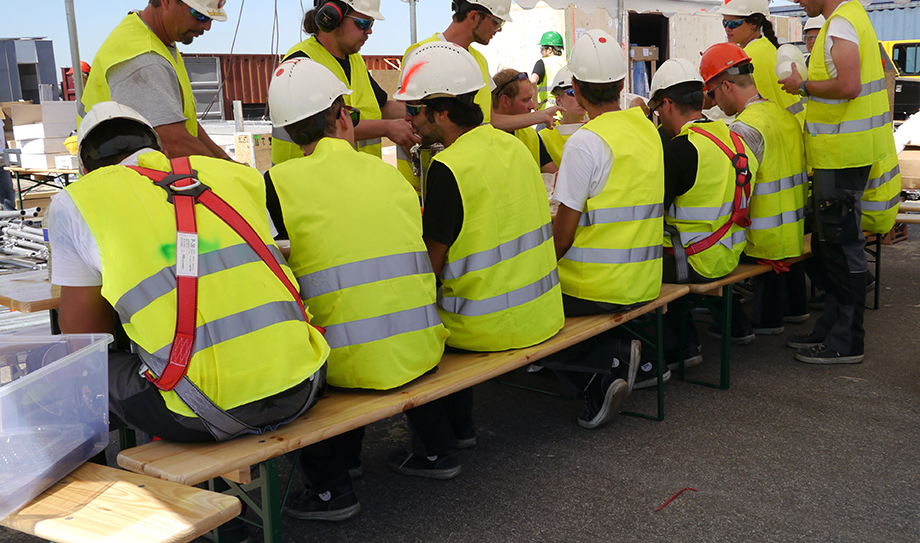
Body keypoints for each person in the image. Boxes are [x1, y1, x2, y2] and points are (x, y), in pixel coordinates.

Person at [49, 101, 330, 541]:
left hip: (204, 413)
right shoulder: (233, 175)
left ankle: (114, 514)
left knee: (84, 369)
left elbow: (81, 334)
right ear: (156, 149)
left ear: (87, 167)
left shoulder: (79, 201)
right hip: (305, 380)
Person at [263, 58, 448, 521]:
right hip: (421, 347)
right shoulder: (390, 177)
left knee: (287, 346)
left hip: (342, 364)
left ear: (287, 134)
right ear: (344, 116)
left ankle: (331, 486)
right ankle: (438, 447)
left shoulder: (277, 184)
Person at [388, 41, 564, 476]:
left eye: (414, 111)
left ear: (442, 113)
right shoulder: (516, 149)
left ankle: (436, 448)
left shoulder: (449, 168)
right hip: (540, 314)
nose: (408, 119)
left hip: (485, 328)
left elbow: (429, 266)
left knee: (401, 321)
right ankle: (461, 426)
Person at [779, 0, 899, 364]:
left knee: (842, 246)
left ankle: (846, 342)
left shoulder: (842, 23)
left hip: (844, 157)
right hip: (842, 156)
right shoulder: (849, 19)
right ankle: (831, 328)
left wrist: (802, 86)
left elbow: (847, 86)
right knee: (831, 245)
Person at [545, 29, 667, 420]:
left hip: (594, 286)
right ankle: (639, 357)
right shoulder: (647, 129)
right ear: (619, 84)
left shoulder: (585, 142)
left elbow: (561, 239)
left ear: (576, 90)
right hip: (645, 279)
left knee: (522, 307)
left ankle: (600, 372)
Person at [396, 0, 557, 191]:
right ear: (473, 16)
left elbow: (490, 122)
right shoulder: (422, 54)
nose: (499, 30)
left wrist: (539, 116)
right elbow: (409, 119)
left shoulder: (478, 61)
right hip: (429, 180)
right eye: (496, 22)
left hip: (469, 179)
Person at [649, 58, 759, 362]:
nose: (659, 118)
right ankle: (735, 323)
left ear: (667, 104)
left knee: (632, 264)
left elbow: (654, 211)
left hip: (694, 262)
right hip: (729, 254)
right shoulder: (734, 138)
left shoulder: (680, 150)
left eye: (658, 110)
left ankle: (679, 347)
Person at [79, 0, 231, 159]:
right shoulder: (143, 58)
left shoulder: (155, 39)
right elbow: (173, 140)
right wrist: (234, 178)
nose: (207, 26)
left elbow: (186, 127)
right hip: (122, 188)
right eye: (200, 15)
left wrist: (230, 164)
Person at [700, 42, 808, 335]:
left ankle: (731, 324)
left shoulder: (744, 130)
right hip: (792, 235)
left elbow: (729, 195)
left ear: (725, 86)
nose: (712, 102)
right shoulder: (784, 116)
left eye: (710, 94)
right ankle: (792, 308)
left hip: (760, 241)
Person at [271, 0, 418, 166]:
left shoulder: (354, 60)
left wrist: (424, 110)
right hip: (307, 186)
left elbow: (382, 107)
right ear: (332, 16)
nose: (369, 32)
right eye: (364, 23)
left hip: (352, 182)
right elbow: (326, 129)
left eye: (371, 24)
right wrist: (387, 128)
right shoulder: (300, 64)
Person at [719, 0, 805, 122]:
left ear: (754, 23)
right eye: (725, 23)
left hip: (773, 133)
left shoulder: (745, 57)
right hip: (792, 130)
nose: (728, 29)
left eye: (734, 24)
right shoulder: (768, 46)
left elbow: (728, 106)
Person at [492, 68, 558, 172]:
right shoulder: (482, 140)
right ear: (505, 101)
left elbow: (554, 175)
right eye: (526, 100)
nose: (532, 106)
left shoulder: (531, 136)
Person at [539, 65, 587, 166]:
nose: (581, 98)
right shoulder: (545, 136)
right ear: (559, 100)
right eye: (573, 92)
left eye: (585, 92)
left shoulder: (597, 126)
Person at [530, 31, 566, 108]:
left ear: (550, 50)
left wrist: (535, 104)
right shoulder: (567, 64)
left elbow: (532, 82)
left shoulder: (542, 62)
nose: (541, 51)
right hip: (565, 111)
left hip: (547, 112)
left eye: (542, 48)